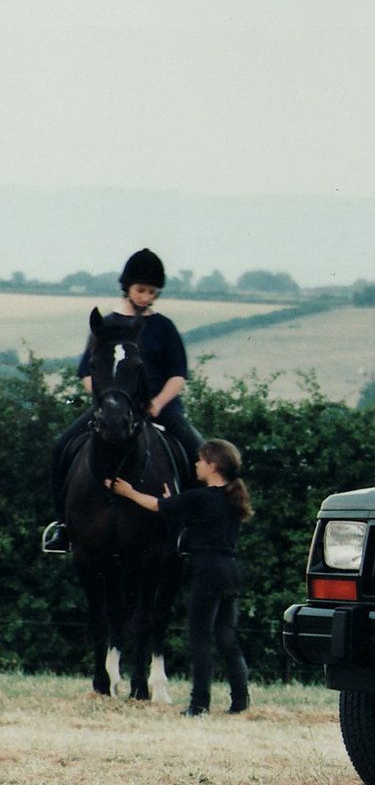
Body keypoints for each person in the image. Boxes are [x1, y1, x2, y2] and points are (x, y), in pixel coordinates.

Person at [43, 247, 205, 550]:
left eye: (152, 292)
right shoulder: (105, 326)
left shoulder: (164, 327)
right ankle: (62, 525)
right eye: (141, 290)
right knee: (61, 446)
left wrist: (157, 402)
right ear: (127, 288)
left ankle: (190, 528)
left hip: (160, 409)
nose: (146, 297)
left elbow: (178, 375)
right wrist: (107, 403)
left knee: (200, 451)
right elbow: (87, 374)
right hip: (112, 408)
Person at [108, 439, 252, 716]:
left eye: (200, 460)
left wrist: (129, 492)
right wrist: (173, 496)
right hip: (230, 571)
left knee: (199, 637)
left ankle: (199, 704)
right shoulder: (230, 498)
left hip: (206, 570)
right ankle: (240, 701)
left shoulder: (200, 497)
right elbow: (189, 516)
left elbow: (156, 506)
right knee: (227, 638)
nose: (196, 464)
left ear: (212, 465)